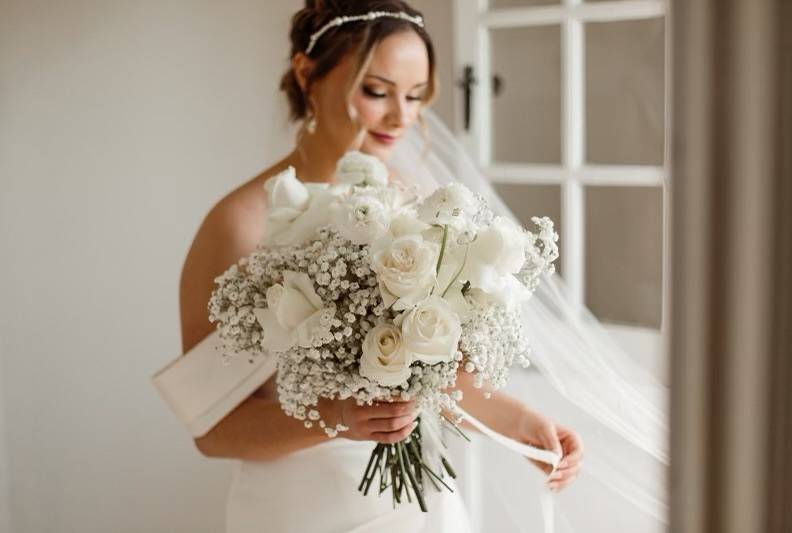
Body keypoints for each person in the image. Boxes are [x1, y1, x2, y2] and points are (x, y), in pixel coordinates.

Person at [179, 1, 583, 531]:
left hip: (418, 507)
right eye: (377, 91)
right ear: (307, 75)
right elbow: (212, 430)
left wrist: (523, 424)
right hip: (301, 510)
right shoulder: (239, 224)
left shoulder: (415, 209)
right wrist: (337, 417)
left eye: (416, 97)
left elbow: (434, 373)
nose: (402, 117)